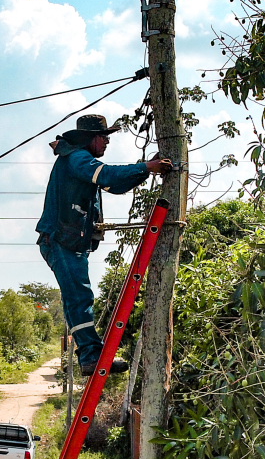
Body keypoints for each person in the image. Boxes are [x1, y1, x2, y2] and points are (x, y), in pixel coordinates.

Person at [36, 114, 172, 376]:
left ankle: (90, 355)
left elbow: (114, 184)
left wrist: (146, 169)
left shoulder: (80, 161)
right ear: (91, 138)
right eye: (104, 137)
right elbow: (106, 174)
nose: (107, 142)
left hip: (68, 240)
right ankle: (91, 356)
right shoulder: (77, 159)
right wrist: (146, 167)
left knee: (77, 298)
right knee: (79, 297)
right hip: (61, 240)